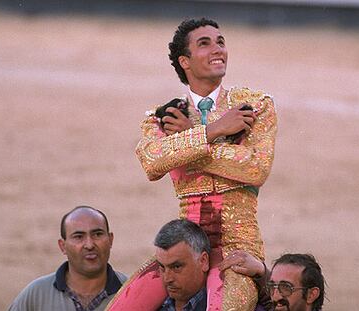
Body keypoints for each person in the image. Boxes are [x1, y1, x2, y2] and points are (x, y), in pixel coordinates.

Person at [108, 17, 277, 311]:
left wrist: (187, 138)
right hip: (182, 250)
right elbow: (151, 162)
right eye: (205, 43)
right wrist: (212, 130)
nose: (218, 49)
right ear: (184, 61)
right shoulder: (164, 115)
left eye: (221, 42)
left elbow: (255, 168)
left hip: (238, 252)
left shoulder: (256, 105)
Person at [8, 206, 127, 311]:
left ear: (110, 240)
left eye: (97, 234)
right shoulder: (36, 295)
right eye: (79, 237)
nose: (89, 245)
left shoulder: (132, 292)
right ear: (63, 246)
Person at [154, 219, 272, 311]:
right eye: (162, 267)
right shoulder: (153, 306)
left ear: (203, 261)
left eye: (177, 267)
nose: (167, 278)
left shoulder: (231, 302)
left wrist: (262, 274)